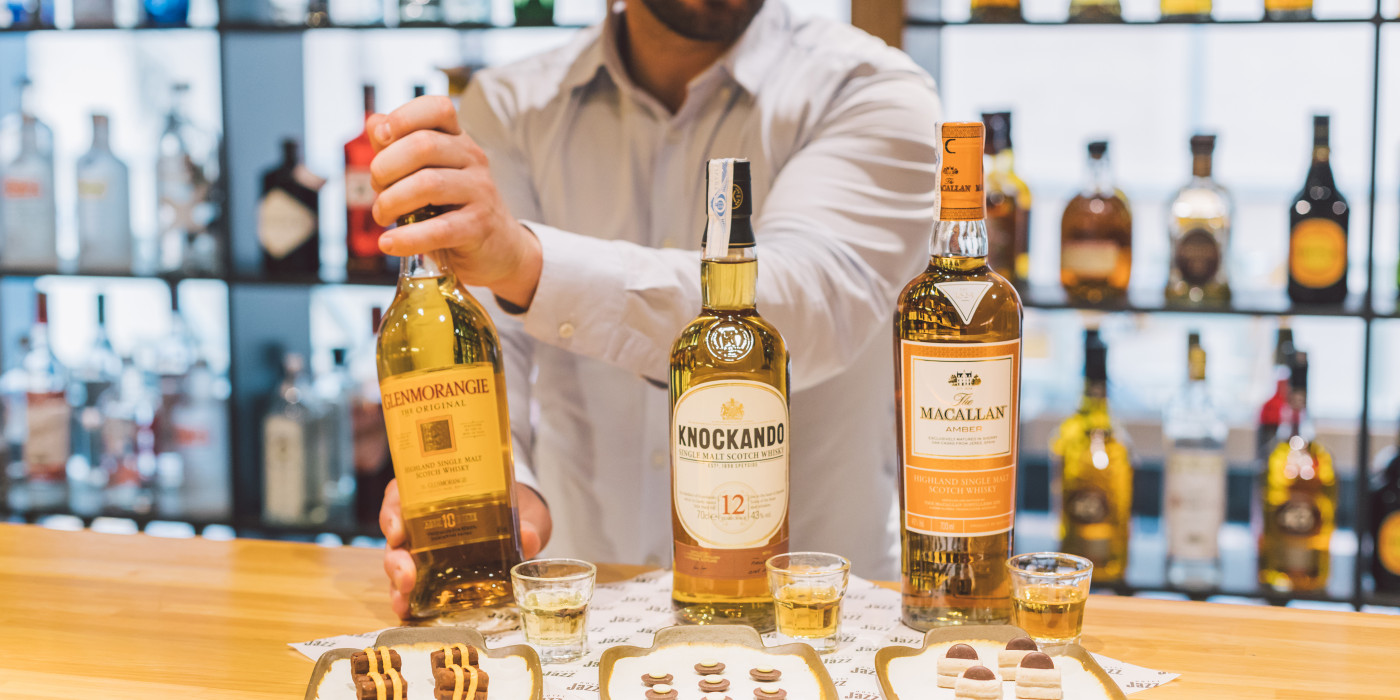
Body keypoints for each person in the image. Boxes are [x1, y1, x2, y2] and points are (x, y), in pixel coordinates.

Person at [370, 0, 941, 618]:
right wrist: (505, 486)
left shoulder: (867, 88)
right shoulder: (509, 105)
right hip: (585, 607)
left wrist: (527, 263)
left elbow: (811, 300)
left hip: (814, 612)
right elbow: (486, 344)